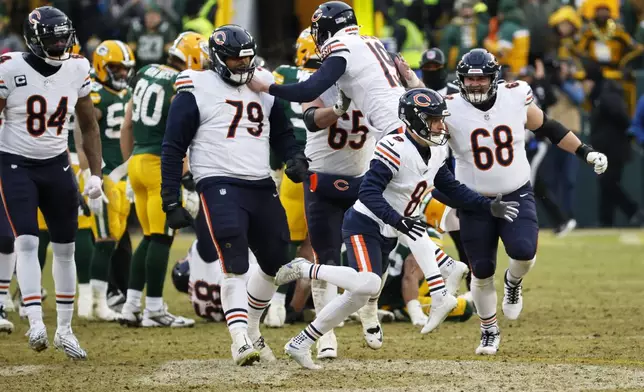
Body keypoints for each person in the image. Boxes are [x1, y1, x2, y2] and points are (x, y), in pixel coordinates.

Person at [274, 88, 519, 370]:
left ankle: (300, 343)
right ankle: (306, 269)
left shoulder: (437, 148)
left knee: (356, 297)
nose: (441, 125)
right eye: (434, 119)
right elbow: (367, 193)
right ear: (415, 120)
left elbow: (449, 186)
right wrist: (397, 219)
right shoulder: (393, 146)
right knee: (369, 283)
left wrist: (486, 205)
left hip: (392, 228)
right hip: (365, 224)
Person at [396, 48, 608, 355]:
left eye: (482, 78)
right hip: (474, 201)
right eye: (470, 79)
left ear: (494, 79)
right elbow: (425, 125)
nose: (476, 84)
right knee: (480, 270)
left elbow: (549, 127)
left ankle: (513, 282)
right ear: (461, 80)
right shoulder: (450, 107)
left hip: (515, 192)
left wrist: (585, 151)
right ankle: (489, 331)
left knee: (524, 252)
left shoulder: (515, 95)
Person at [160, 25, 309, 366]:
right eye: (234, 60)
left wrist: (294, 157)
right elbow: (172, 147)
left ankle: (253, 329)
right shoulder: (195, 85)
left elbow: (283, 131)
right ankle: (240, 339)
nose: (242, 67)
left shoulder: (263, 82)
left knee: (276, 260)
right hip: (217, 181)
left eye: (246, 59)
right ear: (216, 58)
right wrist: (170, 197)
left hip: (260, 182)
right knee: (235, 261)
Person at [0, 6, 105, 359]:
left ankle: (64, 329)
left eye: (64, 37)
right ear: (34, 40)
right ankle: (34, 321)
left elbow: (88, 125)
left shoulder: (77, 68)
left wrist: (94, 173)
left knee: (66, 247)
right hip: (15, 162)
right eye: (53, 39)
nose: (61, 45)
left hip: (57, 162)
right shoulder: (10, 67)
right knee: (27, 241)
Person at [119, 31, 208, 328]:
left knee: (148, 235)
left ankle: (131, 305)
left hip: (138, 162)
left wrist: (129, 162)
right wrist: (185, 178)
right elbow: (177, 138)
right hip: (160, 165)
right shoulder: (180, 83)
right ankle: (154, 309)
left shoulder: (145, 72)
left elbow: (128, 123)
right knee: (161, 237)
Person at [263, 27, 317, 328]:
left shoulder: (283, 73)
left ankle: (278, 306)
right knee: (317, 245)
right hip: (327, 168)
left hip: (292, 171)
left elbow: (274, 125)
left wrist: (273, 165)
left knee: (286, 243)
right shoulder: (334, 77)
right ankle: (296, 308)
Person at [82, 40, 135, 321]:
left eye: (125, 68)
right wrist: (94, 171)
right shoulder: (94, 94)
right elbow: (83, 134)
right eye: (116, 67)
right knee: (103, 238)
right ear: (101, 66)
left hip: (122, 176)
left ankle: (117, 293)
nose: (122, 73)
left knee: (120, 239)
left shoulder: (128, 93)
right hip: (101, 175)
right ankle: (97, 299)